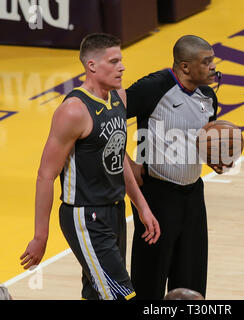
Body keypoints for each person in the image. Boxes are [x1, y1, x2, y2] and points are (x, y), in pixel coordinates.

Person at [20, 33, 160, 300]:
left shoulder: (119, 97)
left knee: (98, 294)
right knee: (121, 294)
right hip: (85, 216)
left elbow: (119, 160)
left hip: (115, 210)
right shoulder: (74, 111)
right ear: (92, 66)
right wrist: (40, 236)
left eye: (121, 60)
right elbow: (45, 175)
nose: (122, 67)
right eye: (114, 61)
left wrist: (141, 206)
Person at [125, 35, 229, 299]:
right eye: (206, 62)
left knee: (192, 281)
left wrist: (215, 158)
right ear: (185, 67)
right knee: (149, 281)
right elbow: (105, 122)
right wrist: (128, 164)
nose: (212, 68)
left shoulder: (208, 97)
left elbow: (201, 141)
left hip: (193, 196)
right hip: (157, 195)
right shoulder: (153, 88)